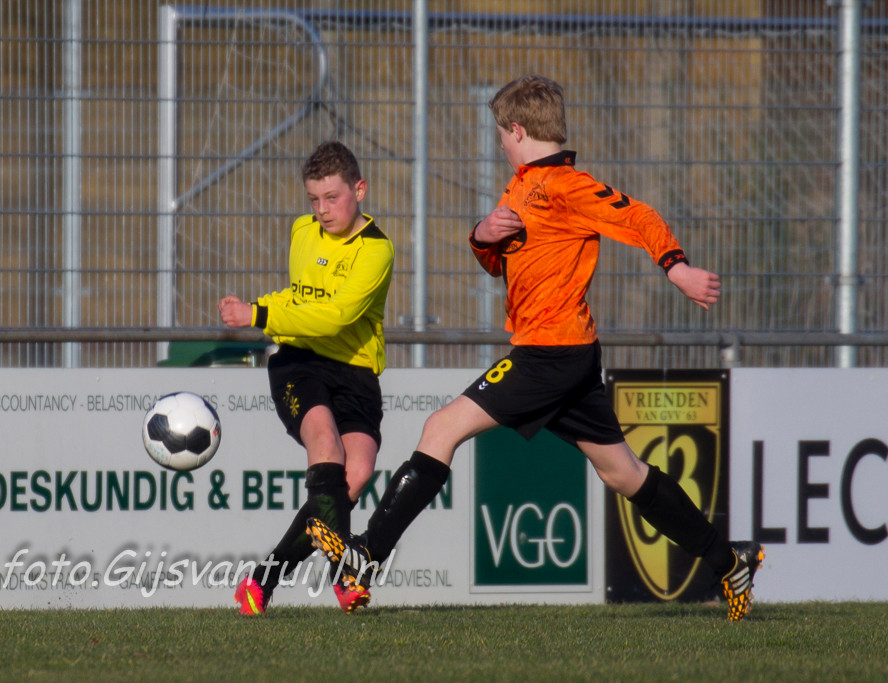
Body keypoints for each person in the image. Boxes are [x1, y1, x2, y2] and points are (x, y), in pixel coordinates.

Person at [307, 75, 764, 622]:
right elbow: (499, 261)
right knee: (623, 473)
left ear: (518, 130)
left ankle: (365, 556)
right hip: (568, 354)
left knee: (440, 428)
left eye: (501, 134)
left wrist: (677, 268)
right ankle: (729, 560)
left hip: (549, 354)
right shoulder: (521, 187)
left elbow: (637, 215)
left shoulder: (563, 185)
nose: (500, 143)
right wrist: (482, 236)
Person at [219, 141, 394, 616]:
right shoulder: (302, 231)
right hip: (300, 363)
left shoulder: (376, 250)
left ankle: (260, 581)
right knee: (326, 447)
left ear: (360, 190)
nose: (322, 210)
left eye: (332, 198)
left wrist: (258, 314)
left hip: (356, 373)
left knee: (355, 475)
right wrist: (258, 308)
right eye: (314, 199)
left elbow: (336, 317)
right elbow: (299, 297)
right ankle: (346, 577)